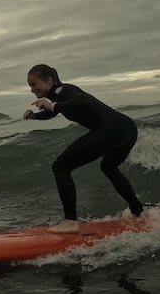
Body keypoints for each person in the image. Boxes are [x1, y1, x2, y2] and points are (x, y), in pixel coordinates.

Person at [23, 64, 144, 233]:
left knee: (60, 166)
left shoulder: (63, 90)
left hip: (110, 127)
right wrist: (35, 116)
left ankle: (70, 221)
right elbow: (53, 111)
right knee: (108, 167)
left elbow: (83, 102)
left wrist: (54, 106)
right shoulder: (60, 95)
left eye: (34, 84)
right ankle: (138, 211)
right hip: (126, 128)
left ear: (48, 81)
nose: (32, 89)